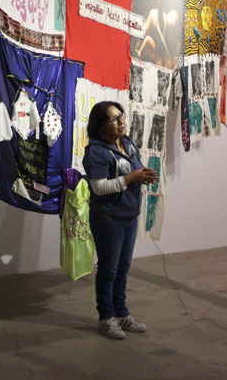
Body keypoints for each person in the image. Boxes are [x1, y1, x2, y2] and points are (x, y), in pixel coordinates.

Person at [83, 101, 159, 339]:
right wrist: (131, 177)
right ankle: (106, 318)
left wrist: (142, 174)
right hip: (108, 219)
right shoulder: (95, 151)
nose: (121, 121)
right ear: (101, 125)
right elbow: (99, 187)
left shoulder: (127, 143)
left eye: (121, 116)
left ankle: (122, 313)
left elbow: (130, 170)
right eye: (114, 119)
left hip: (129, 217)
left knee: (123, 270)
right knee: (108, 270)